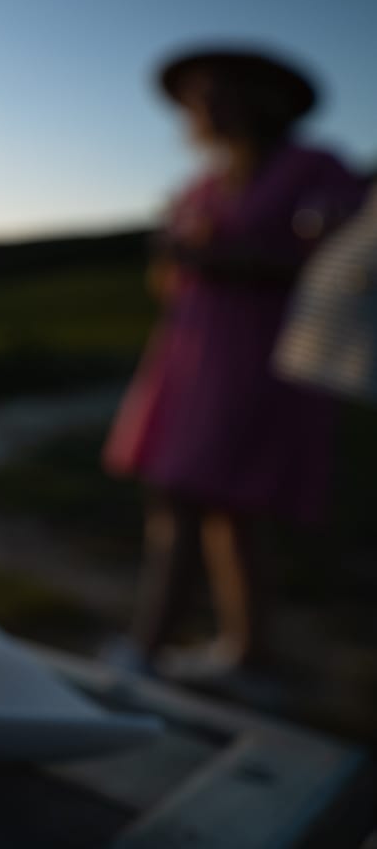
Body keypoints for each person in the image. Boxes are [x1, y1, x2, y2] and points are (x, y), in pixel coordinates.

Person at [103, 48, 367, 689]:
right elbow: (173, 279)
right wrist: (174, 256)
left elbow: (350, 261)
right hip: (192, 355)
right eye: (197, 96)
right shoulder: (202, 185)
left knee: (185, 494)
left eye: (214, 91)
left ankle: (148, 650)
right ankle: (251, 656)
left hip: (263, 357)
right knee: (227, 508)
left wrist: (233, 263)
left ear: (258, 96)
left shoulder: (318, 168)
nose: (203, 106)